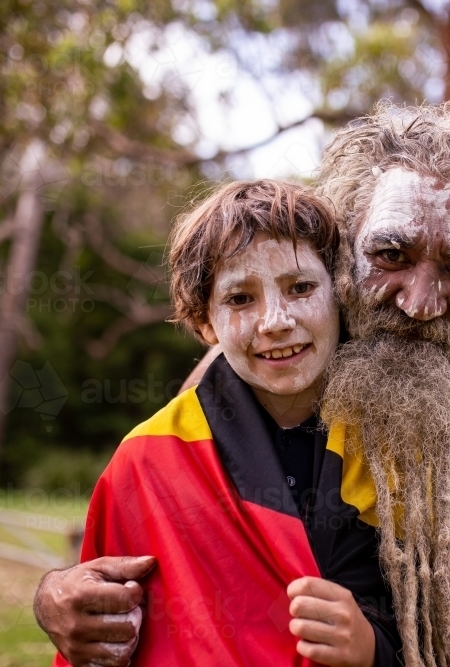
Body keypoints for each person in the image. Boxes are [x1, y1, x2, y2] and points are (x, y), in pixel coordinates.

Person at [34, 103, 450, 666]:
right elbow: (169, 495)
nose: (419, 304)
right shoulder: (278, 363)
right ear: (341, 248)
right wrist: (54, 594)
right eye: (390, 255)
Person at [48, 180, 422, 667]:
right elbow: (93, 633)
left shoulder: (395, 451)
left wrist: (373, 650)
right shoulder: (146, 461)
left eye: (301, 287)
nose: (275, 321)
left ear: (340, 293)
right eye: (240, 299)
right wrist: (52, 593)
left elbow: (441, 637)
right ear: (205, 323)